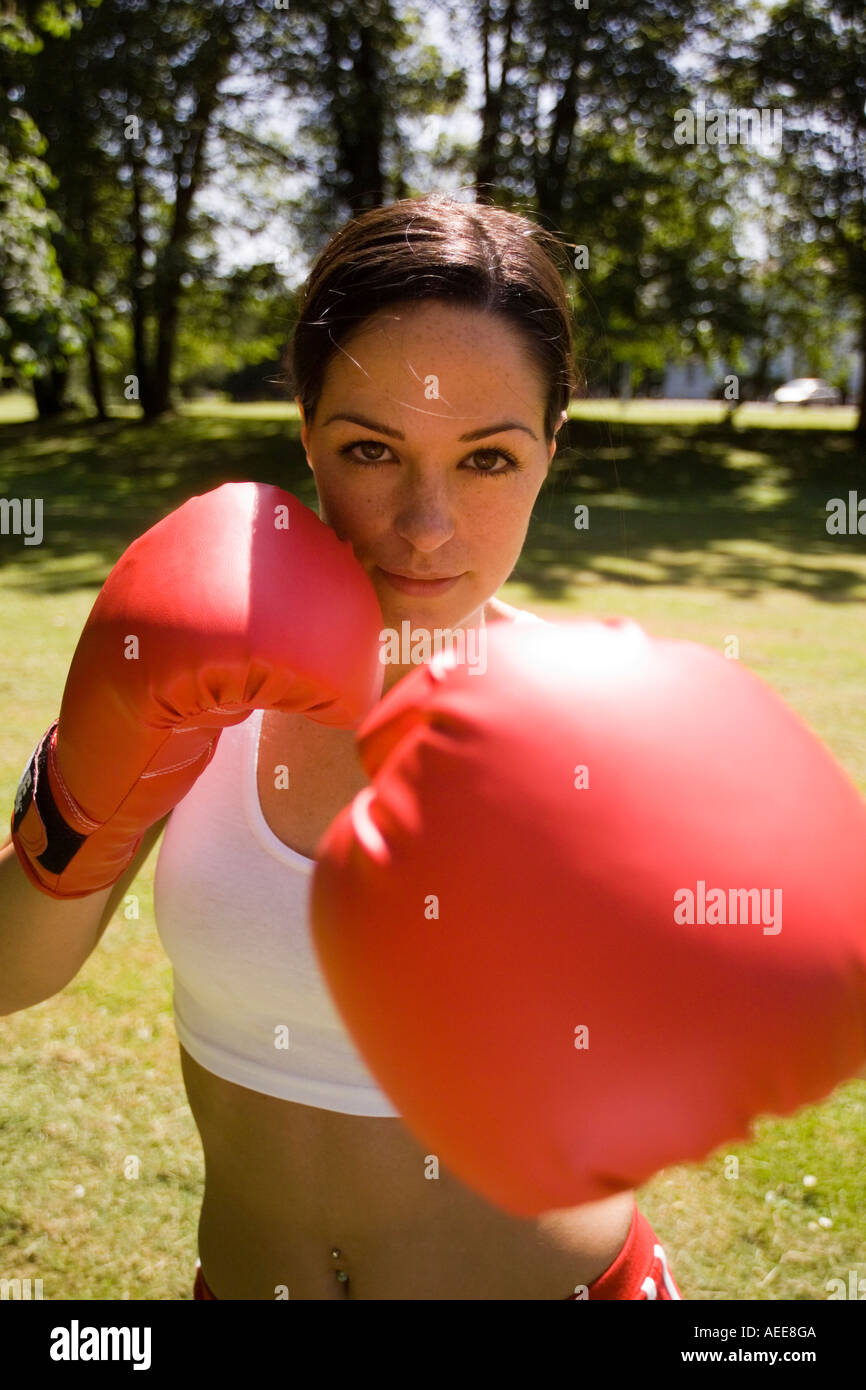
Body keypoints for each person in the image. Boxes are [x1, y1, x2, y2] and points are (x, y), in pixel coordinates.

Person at [0, 193, 681, 1300]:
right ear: (307, 435)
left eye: (486, 460)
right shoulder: (199, 667)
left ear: (549, 452)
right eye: (372, 449)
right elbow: (10, 972)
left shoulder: (603, 718)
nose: (424, 524)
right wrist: (89, 792)